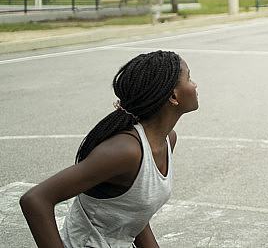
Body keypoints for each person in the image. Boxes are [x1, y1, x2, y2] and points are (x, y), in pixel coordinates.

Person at [20, 51, 198, 247]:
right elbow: (35, 199)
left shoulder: (167, 140)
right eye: (189, 78)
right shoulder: (126, 151)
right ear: (173, 96)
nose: (195, 84)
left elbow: (134, 211)